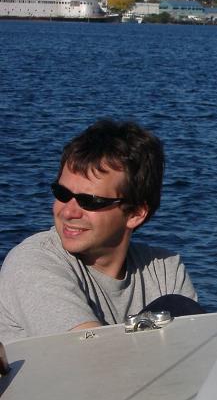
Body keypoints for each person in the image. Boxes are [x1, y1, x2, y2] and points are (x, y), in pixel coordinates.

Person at [0, 119, 200, 343]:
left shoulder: (165, 269)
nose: (68, 212)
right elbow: (92, 352)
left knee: (177, 306)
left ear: (135, 213)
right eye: (62, 194)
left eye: (90, 201)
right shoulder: (32, 263)